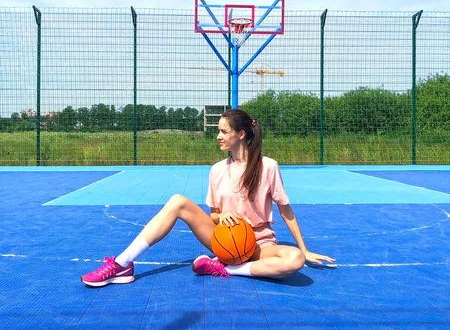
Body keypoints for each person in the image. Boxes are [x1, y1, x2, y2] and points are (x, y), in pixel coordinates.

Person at [81, 109, 335, 286]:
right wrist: (221, 215)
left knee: (294, 261)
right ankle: (123, 264)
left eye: (224, 131)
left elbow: (285, 210)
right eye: (219, 131)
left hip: (259, 244)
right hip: (222, 239)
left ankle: (225, 268)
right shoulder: (216, 169)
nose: (218, 136)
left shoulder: (268, 166)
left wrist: (304, 248)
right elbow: (213, 213)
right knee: (178, 201)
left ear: (242, 134)